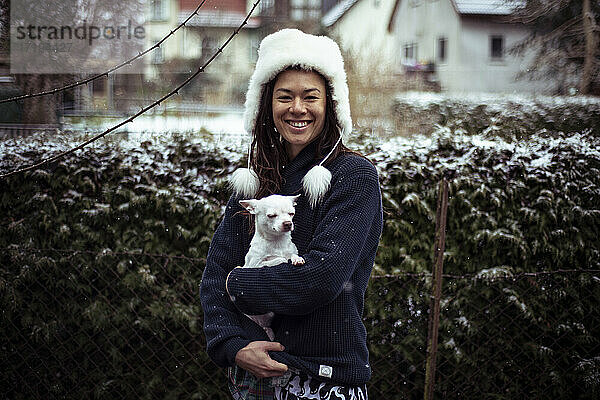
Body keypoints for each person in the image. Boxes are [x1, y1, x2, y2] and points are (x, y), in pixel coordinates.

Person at [200, 29, 383, 400]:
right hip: (250, 376)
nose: (297, 108)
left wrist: (239, 286)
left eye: (310, 97)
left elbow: (320, 278)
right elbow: (214, 272)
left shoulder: (354, 177)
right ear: (267, 105)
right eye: (285, 96)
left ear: (330, 105)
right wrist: (234, 345)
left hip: (324, 380)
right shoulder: (254, 183)